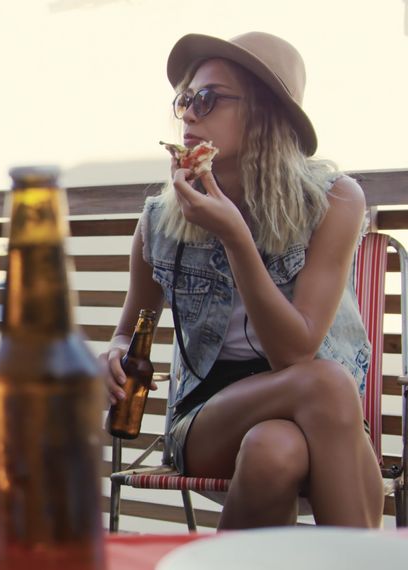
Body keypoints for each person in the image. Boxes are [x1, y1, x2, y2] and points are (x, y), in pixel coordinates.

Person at [103, 32, 383, 529]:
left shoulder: (334, 201)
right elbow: (130, 330)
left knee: (274, 448)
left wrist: (236, 239)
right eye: (184, 100)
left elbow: (293, 353)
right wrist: (115, 352)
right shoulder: (158, 221)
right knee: (324, 383)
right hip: (209, 417)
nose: (188, 114)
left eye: (206, 99)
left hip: (318, 417)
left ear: (264, 113)